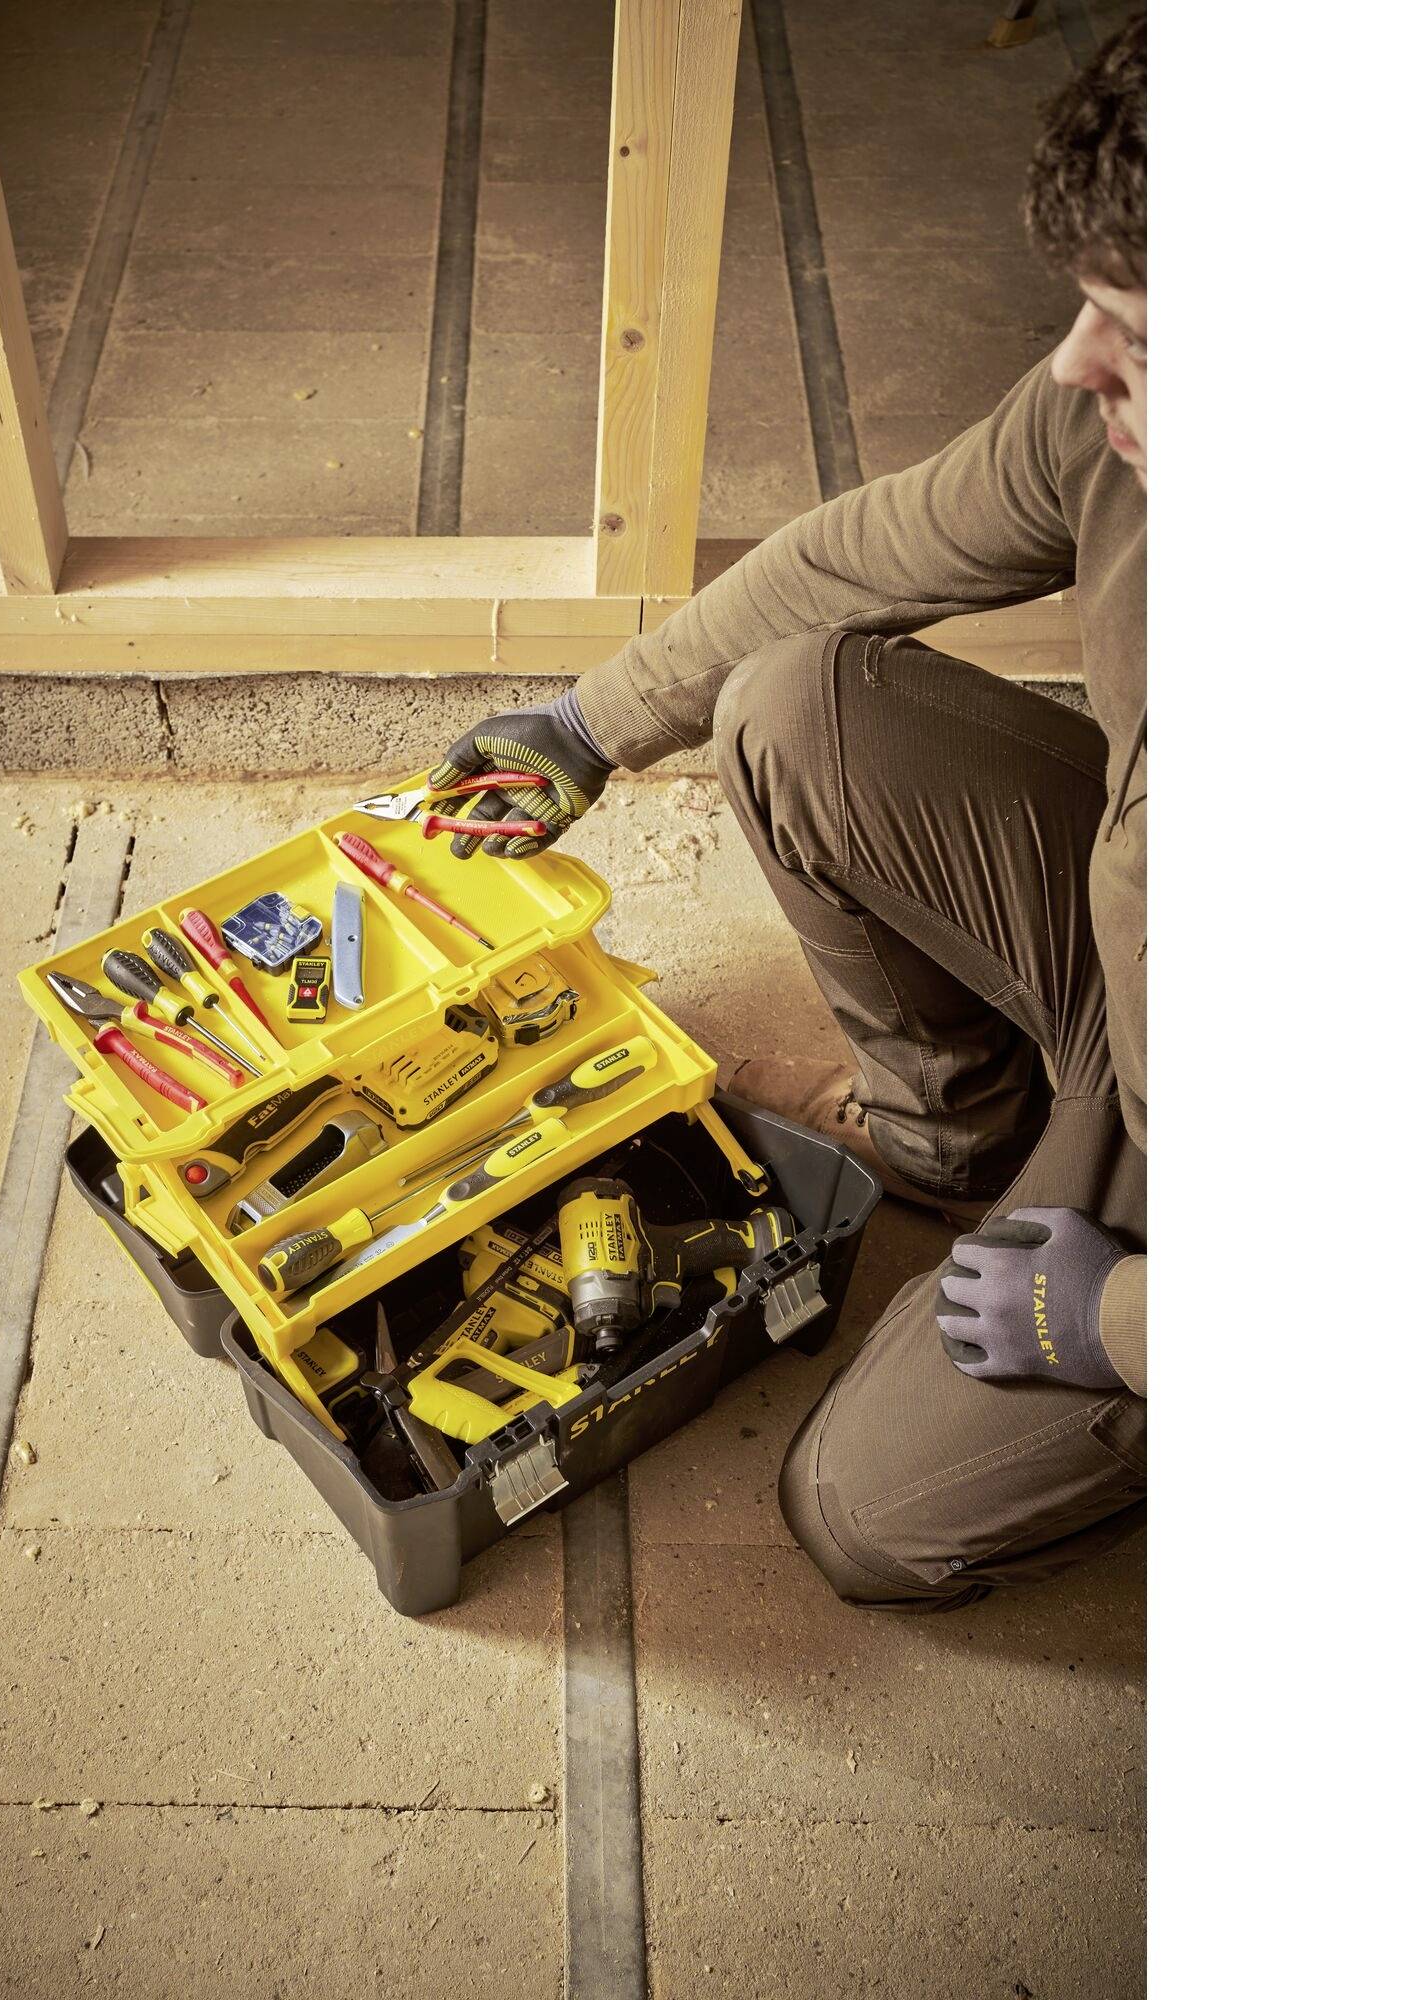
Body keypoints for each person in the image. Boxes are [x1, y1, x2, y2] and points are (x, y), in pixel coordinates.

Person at [425, 15, 1148, 1610]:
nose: (1084, 363)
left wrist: (1123, 1323)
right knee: (794, 695)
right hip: (1138, 944)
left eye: (1142, 336)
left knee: (863, 1510)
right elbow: (863, 553)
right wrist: (588, 726)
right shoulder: (1122, 434)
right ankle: (952, 1138)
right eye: (1095, 313)